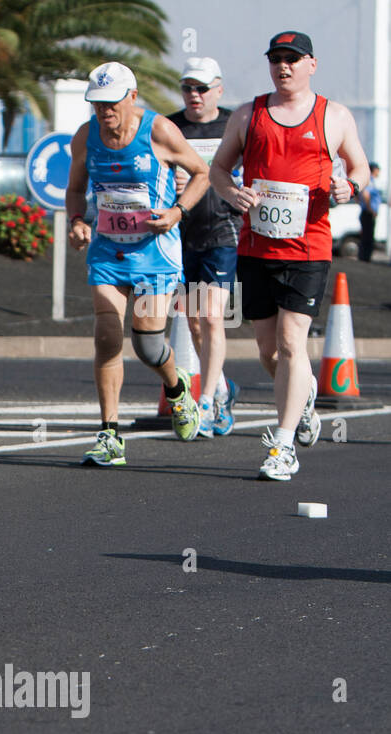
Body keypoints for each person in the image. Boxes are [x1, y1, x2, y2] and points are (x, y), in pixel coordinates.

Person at [210, 31, 370, 480]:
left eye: (293, 59)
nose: (284, 66)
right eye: (277, 59)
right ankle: (302, 399)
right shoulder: (249, 113)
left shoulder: (333, 115)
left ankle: (282, 446)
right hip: (256, 246)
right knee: (267, 351)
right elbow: (219, 168)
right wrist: (232, 194)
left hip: (308, 247)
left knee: (290, 342)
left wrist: (349, 186)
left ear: (311, 64)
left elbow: (359, 167)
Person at [66, 61, 209, 466]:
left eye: (111, 103)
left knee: (147, 345)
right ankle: (110, 435)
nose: (104, 111)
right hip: (108, 252)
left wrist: (178, 211)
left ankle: (177, 389)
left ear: (132, 97)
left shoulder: (159, 131)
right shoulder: (86, 136)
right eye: (96, 104)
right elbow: (75, 189)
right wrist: (77, 222)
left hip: (155, 253)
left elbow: (201, 172)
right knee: (107, 337)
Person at [167, 56, 243, 438]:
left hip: (223, 231)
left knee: (213, 317)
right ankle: (225, 389)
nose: (194, 95)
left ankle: (208, 401)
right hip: (180, 233)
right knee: (193, 322)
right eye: (187, 88)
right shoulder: (170, 126)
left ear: (218, 89)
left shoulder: (235, 123)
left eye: (201, 88)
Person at [358, 162, 381, 261]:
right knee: (367, 237)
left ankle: (365, 257)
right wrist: (370, 209)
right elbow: (366, 194)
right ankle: (365, 258)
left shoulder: (370, 181)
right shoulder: (370, 181)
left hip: (367, 212)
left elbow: (358, 195)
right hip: (368, 213)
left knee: (366, 236)